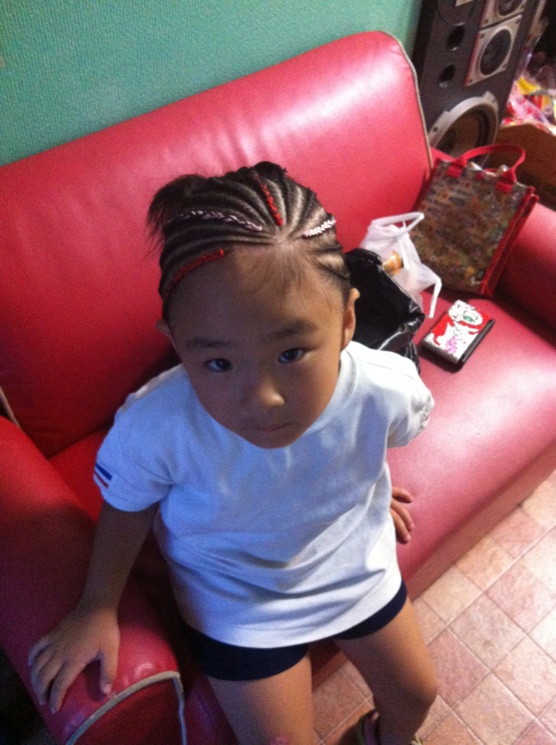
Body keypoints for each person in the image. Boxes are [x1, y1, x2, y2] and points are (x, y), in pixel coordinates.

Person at [29, 162, 437, 745]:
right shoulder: (158, 425)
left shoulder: (386, 387)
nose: (262, 398)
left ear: (347, 320)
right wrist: (98, 606)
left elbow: (365, 432)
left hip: (352, 560)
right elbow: (126, 507)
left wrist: (368, 482)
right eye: (219, 363)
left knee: (417, 694)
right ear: (177, 345)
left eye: (292, 354)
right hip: (235, 597)